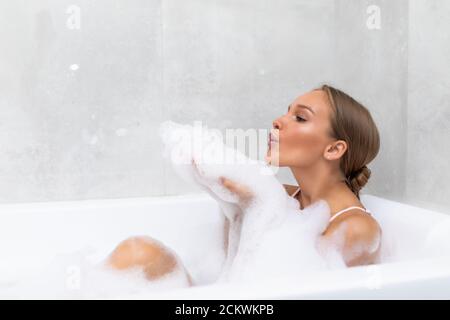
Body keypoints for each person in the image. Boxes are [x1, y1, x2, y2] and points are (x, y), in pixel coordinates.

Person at [106, 84, 382, 283]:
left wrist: (254, 201)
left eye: (300, 117)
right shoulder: (282, 197)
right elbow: (232, 270)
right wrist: (229, 198)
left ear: (334, 149)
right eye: (286, 112)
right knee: (140, 251)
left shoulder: (357, 228)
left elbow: (291, 286)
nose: (278, 121)